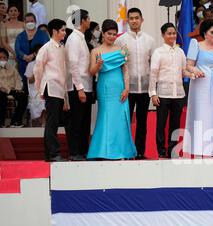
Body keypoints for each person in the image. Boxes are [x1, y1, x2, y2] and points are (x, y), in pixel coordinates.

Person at [87, 19, 137, 160]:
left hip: (120, 87)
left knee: (121, 118)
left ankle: (122, 151)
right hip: (105, 88)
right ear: (103, 33)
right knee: (105, 117)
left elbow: (126, 70)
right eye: (109, 33)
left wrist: (127, 88)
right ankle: (102, 151)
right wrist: (98, 65)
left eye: (114, 34)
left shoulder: (122, 50)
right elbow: (91, 71)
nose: (111, 36)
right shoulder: (95, 51)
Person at [183, 19, 213, 158]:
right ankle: (199, 149)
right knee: (201, 116)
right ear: (205, 33)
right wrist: (196, 70)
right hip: (200, 86)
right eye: (212, 32)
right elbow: (189, 65)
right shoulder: (196, 45)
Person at [115, 8, 155, 160]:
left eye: (136, 18)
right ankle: (125, 151)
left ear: (142, 19)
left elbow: (153, 65)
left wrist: (152, 89)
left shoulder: (150, 40)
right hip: (127, 89)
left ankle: (139, 152)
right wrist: (122, 87)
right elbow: (118, 65)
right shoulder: (121, 40)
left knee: (142, 122)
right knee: (125, 122)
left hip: (144, 88)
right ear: (127, 21)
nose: (134, 21)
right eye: (131, 18)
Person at [150, 23, 188, 159]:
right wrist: (153, 93)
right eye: (169, 33)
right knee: (161, 124)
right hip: (163, 93)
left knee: (175, 124)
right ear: (163, 35)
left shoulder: (181, 52)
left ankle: (173, 151)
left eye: (174, 33)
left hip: (178, 93)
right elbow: (153, 74)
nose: (172, 36)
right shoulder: (158, 52)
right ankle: (161, 151)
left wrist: (195, 74)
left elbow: (184, 71)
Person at [33, 19, 69, 162]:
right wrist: (40, 89)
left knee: (52, 122)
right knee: (52, 122)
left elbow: (64, 72)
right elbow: (38, 69)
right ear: (54, 31)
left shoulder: (61, 48)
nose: (65, 33)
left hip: (59, 88)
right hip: (51, 86)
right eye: (62, 30)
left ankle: (50, 154)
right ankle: (53, 154)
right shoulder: (46, 47)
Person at [66, 9, 94, 161]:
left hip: (86, 86)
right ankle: (74, 152)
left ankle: (83, 151)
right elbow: (73, 65)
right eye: (88, 18)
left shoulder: (81, 37)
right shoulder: (74, 39)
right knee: (76, 121)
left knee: (84, 122)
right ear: (83, 20)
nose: (89, 20)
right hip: (78, 87)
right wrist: (80, 88)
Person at [15, 13, 49, 92]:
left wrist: (33, 55)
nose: (30, 23)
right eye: (27, 21)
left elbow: (46, 47)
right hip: (23, 64)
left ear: (35, 21)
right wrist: (25, 57)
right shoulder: (20, 36)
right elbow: (17, 49)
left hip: (39, 64)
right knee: (25, 86)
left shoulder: (43, 34)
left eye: (32, 21)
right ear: (24, 22)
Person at [0, 48, 27, 128]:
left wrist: (18, 89)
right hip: (1, 89)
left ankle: (15, 121)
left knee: (23, 97)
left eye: (4, 57)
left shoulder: (11, 68)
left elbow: (18, 79)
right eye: (0, 58)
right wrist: (8, 90)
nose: (2, 59)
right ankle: (1, 123)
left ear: (7, 58)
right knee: (2, 98)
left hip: (12, 89)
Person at [25, 44, 45, 127]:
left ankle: (44, 124)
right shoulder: (30, 65)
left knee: (45, 105)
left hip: (45, 90)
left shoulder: (47, 63)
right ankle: (36, 126)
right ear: (35, 54)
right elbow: (30, 81)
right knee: (36, 104)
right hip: (34, 90)